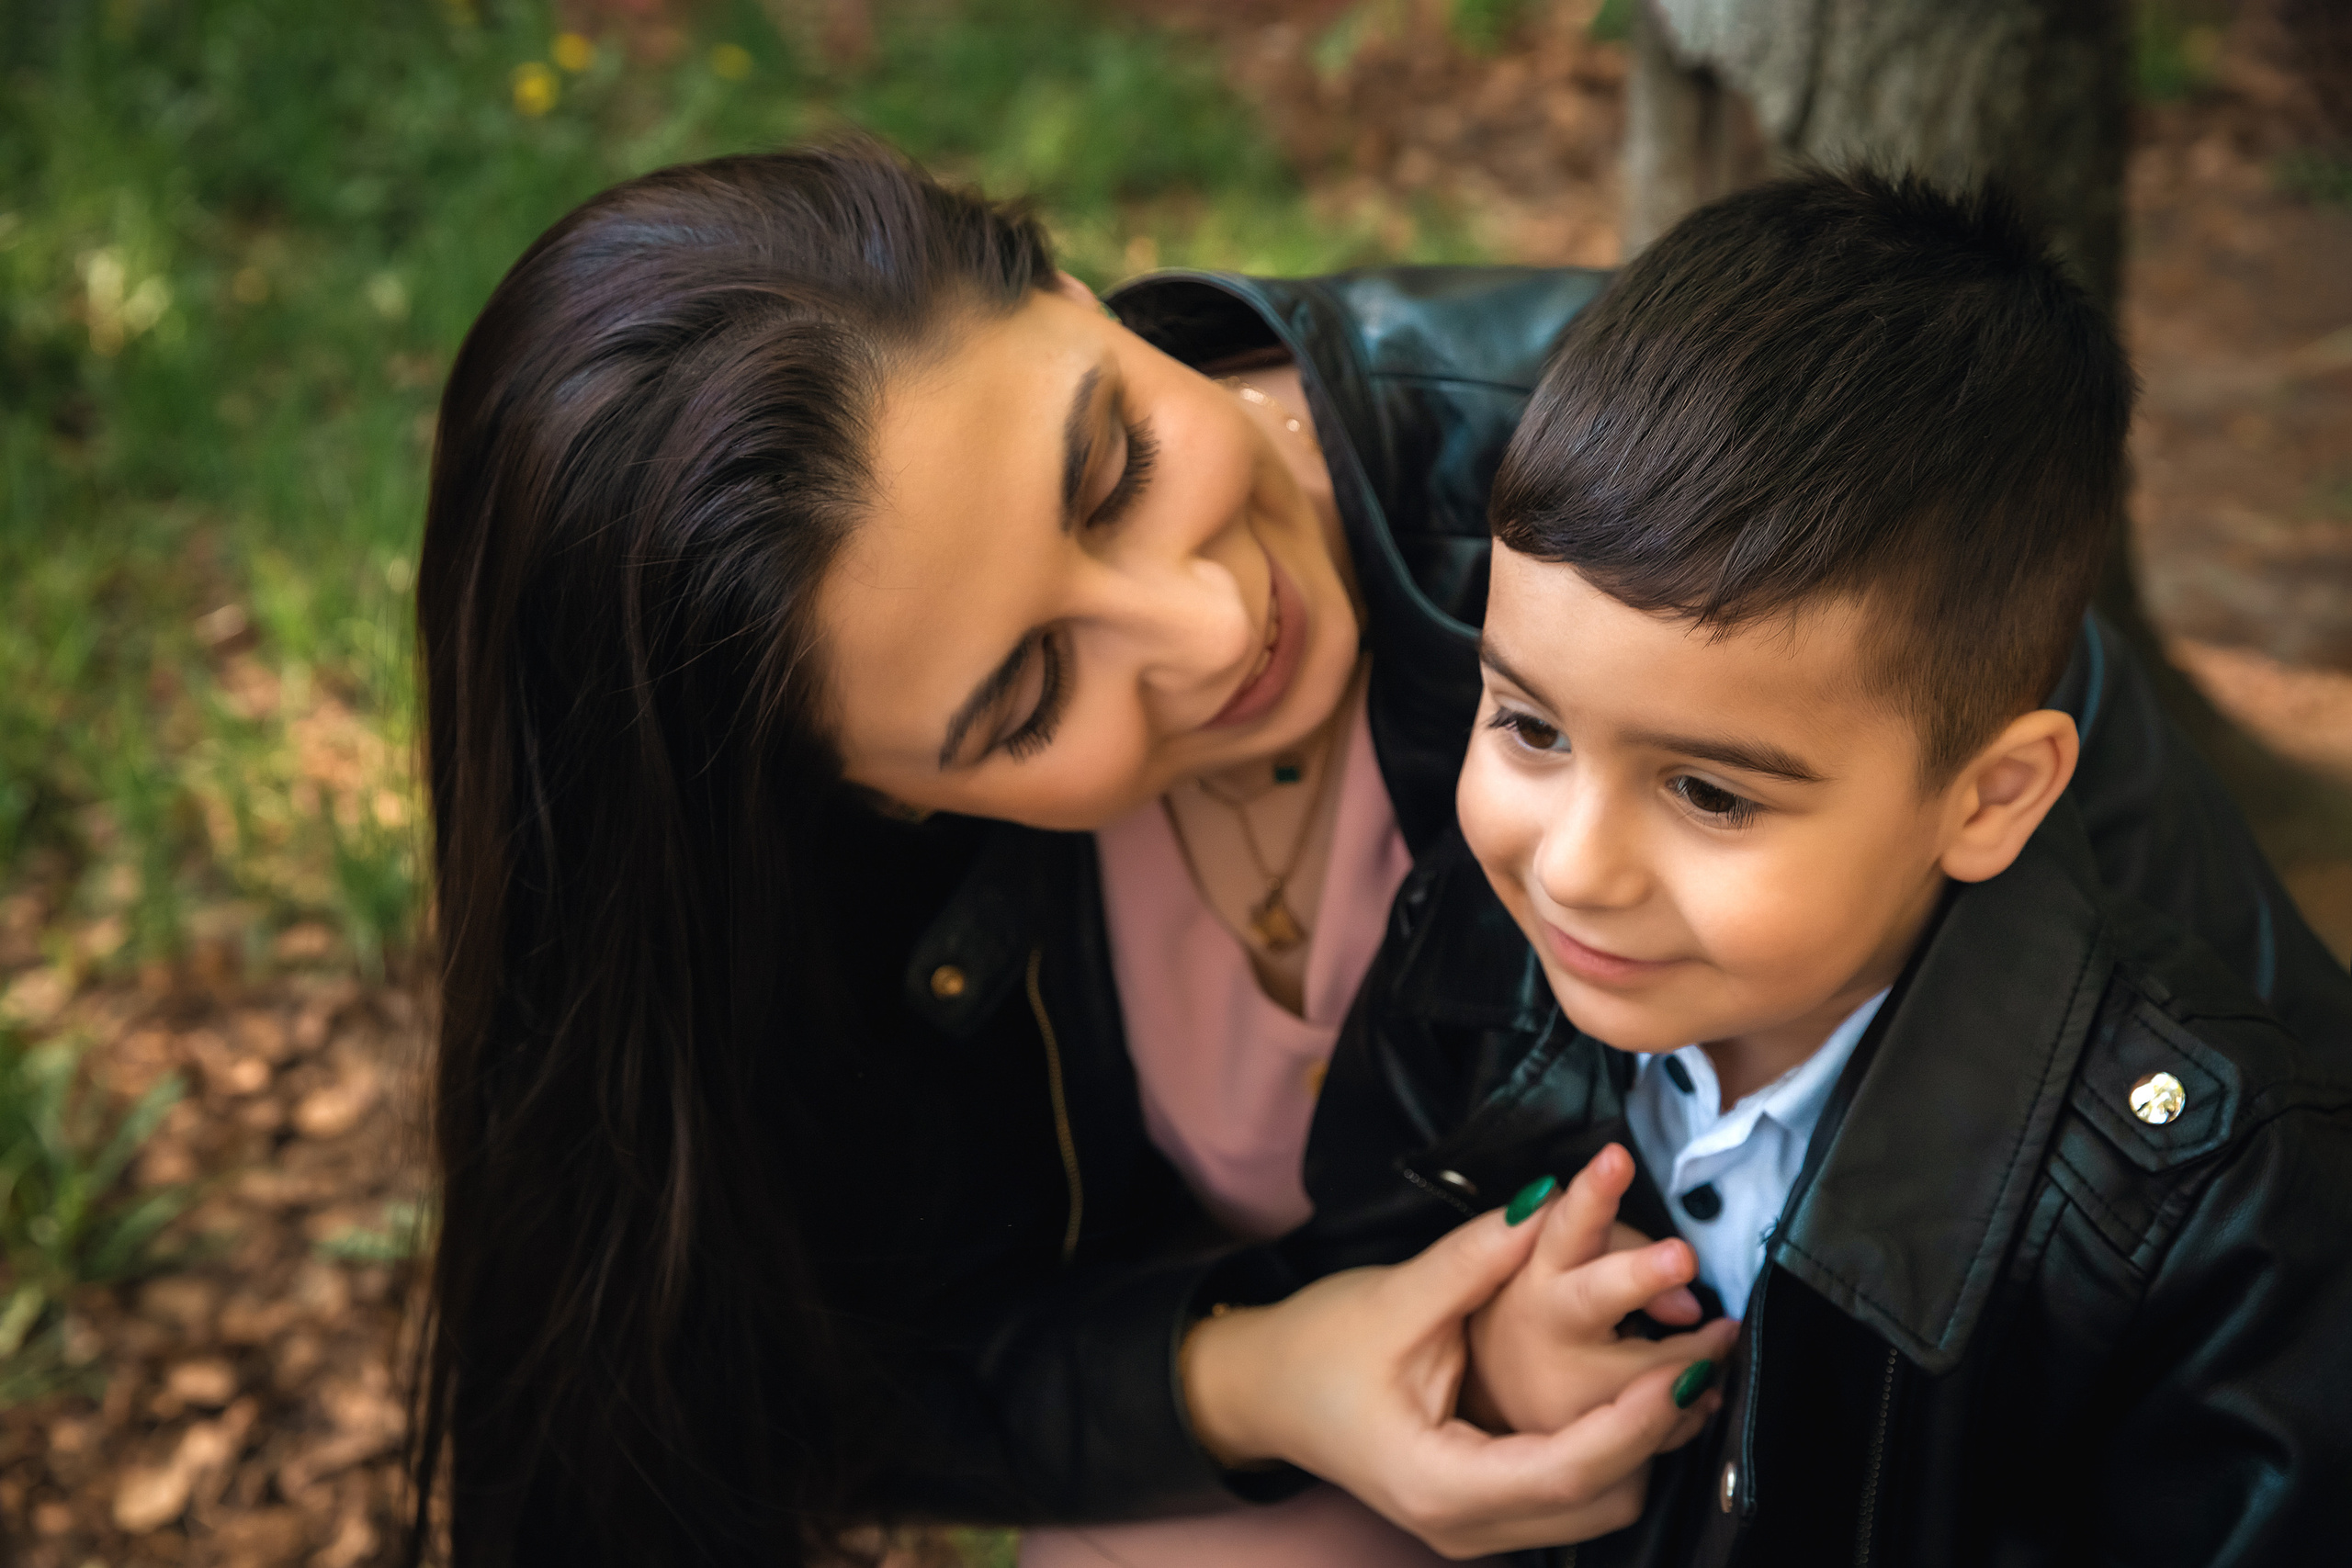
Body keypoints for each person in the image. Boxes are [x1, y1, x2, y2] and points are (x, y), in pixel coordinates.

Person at [410, 141, 2346, 1566]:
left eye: (1109, 462)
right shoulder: (826, 866)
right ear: (876, 797)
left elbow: (2218, 1173)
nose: (1195, 628)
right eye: (1021, 700)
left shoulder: (1700, 540)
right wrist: (1263, 1375)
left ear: (1071, 285)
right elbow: (806, 1360)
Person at [1295, 169, 2352, 1566]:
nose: (1575, 866)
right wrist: (1478, 1355)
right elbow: (1345, 1250)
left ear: (1989, 798)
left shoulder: (2200, 1205)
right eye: (1530, 725)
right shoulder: (1479, 956)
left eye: (1711, 793)